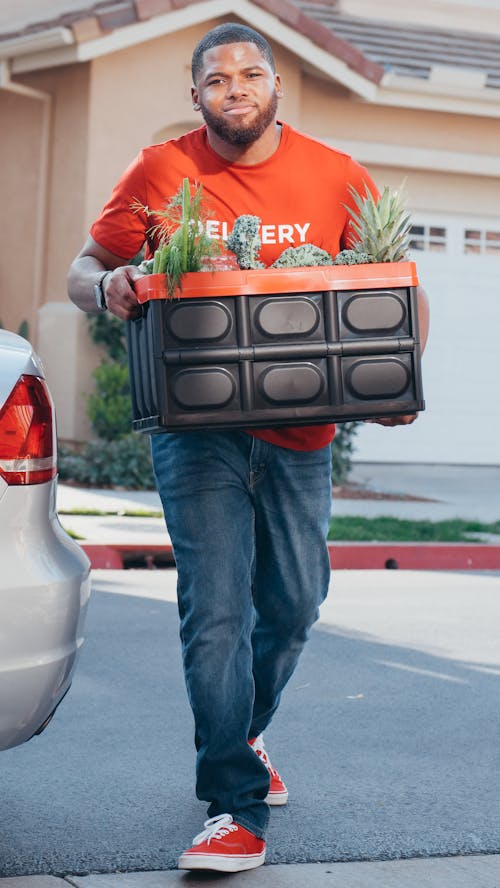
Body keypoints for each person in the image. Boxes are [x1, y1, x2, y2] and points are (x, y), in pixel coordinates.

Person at [68, 22, 429, 873]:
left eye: (251, 74)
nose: (236, 88)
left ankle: (246, 731)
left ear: (275, 87)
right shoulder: (162, 171)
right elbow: (85, 265)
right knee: (217, 611)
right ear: (195, 96)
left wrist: (395, 382)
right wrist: (110, 285)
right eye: (217, 79)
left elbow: (390, 283)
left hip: (301, 434)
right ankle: (229, 803)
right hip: (199, 435)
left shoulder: (335, 174)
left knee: (295, 605)